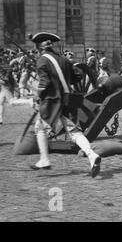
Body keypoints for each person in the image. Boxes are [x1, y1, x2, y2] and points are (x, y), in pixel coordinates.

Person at [29, 32, 101, 177]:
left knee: (40, 127)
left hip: (53, 100)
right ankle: (92, 155)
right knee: (73, 131)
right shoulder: (63, 60)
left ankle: (44, 159)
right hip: (68, 98)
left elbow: (44, 82)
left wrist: (37, 96)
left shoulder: (42, 60)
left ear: (39, 47)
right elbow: (78, 76)